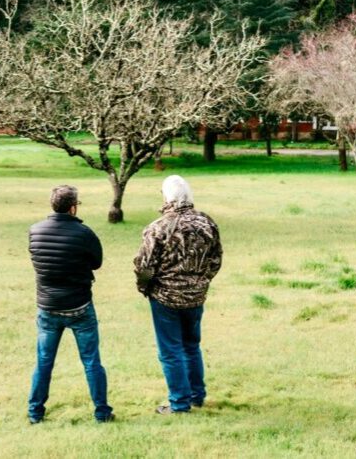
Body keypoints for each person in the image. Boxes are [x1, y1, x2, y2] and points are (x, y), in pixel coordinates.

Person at [134, 175, 223, 415]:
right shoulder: (207, 223)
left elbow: (144, 266)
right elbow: (216, 260)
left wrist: (145, 288)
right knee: (191, 346)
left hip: (165, 297)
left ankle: (179, 404)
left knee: (171, 351)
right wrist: (200, 282)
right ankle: (197, 395)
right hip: (196, 295)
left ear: (166, 197)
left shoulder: (158, 227)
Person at [27, 185, 113, 424]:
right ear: (73, 207)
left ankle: (35, 412)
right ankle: (102, 412)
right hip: (80, 307)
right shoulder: (85, 233)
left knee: (44, 362)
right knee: (91, 361)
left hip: (48, 307)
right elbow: (97, 263)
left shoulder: (35, 231)